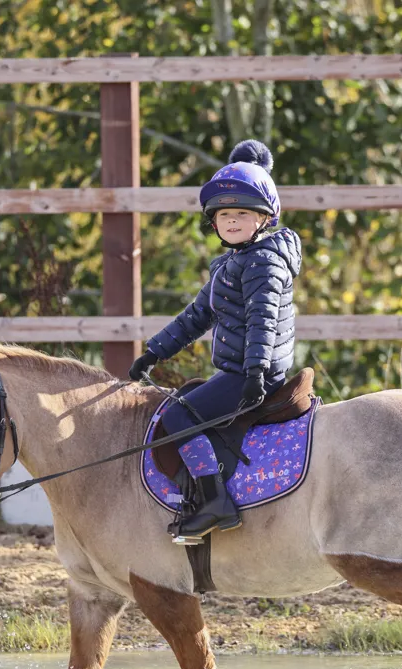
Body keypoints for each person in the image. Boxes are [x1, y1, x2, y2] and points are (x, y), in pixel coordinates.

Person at [129, 139, 302, 543]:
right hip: (239, 368)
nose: (232, 221)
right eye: (225, 214)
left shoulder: (263, 261)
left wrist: (256, 370)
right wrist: (154, 351)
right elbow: (196, 316)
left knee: (177, 418)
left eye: (242, 213)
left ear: (264, 218)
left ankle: (213, 502)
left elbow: (265, 318)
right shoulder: (230, 264)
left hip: (253, 371)